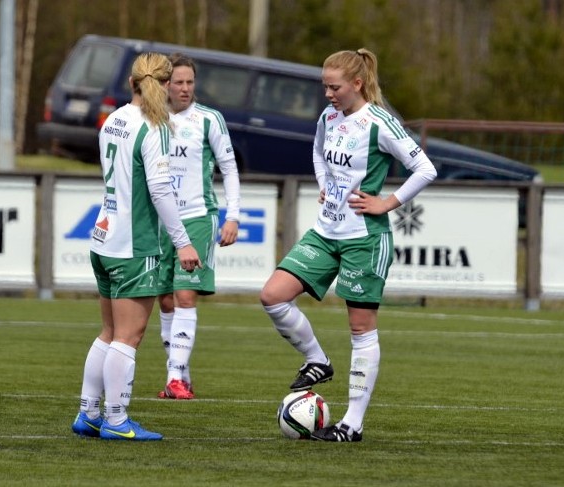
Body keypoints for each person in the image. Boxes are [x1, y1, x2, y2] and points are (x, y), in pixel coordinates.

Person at [260, 48, 437, 442]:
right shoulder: (329, 117)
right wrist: (325, 184)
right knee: (273, 295)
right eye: (324, 86)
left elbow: (425, 168)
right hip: (325, 232)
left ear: (357, 83)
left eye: (334, 87)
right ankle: (317, 359)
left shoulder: (380, 123)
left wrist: (387, 202)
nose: (328, 94)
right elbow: (317, 152)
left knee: (360, 328)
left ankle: (351, 424)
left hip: (364, 238)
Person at [71, 52, 201, 441]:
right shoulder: (154, 127)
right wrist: (183, 243)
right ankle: (115, 420)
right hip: (134, 245)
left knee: (109, 331)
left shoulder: (113, 119)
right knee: (128, 336)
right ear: (165, 85)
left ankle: (88, 413)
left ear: (131, 83)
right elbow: (160, 190)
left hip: (103, 238)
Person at [156, 53, 241, 400]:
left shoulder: (208, 119)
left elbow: (229, 168)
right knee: (165, 300)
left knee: (185, 294)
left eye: (190, 82)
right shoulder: (152, 118)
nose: (185, 88)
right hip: (159, 220)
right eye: (178, 82)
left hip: (197, 216)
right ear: (165, 84)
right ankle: (182, 377)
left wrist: (232, 215)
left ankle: (174, 377)